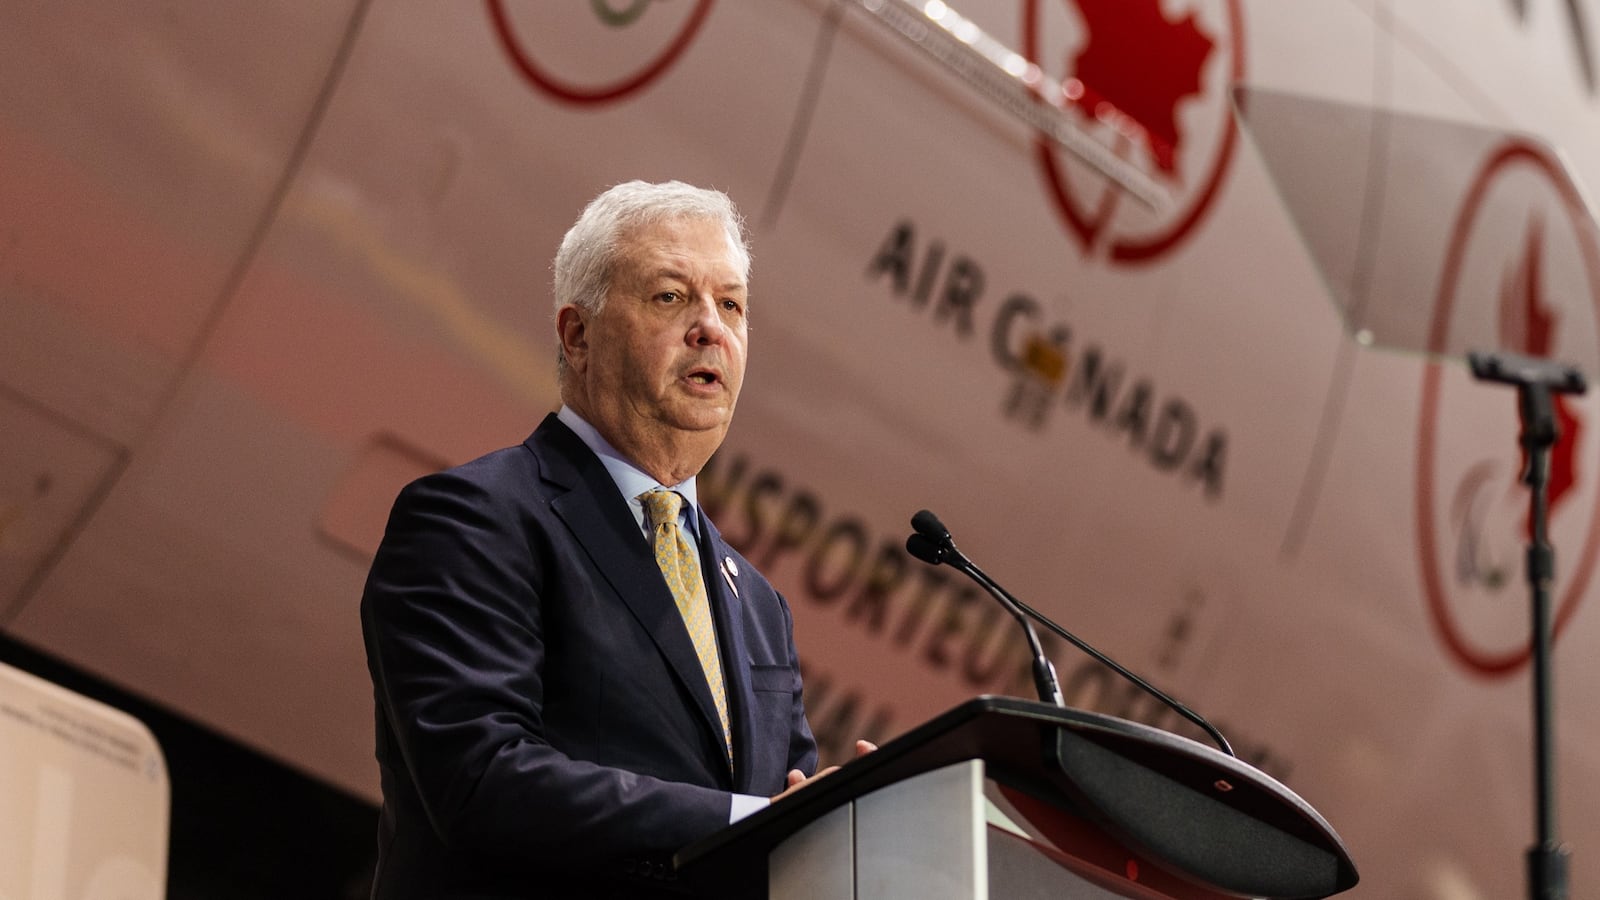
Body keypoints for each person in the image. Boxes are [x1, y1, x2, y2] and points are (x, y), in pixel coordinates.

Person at [361, 181, 850, 899]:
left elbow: (785, 820)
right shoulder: (476, 517)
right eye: (670, 297)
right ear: (577, 334)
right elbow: (482, 779)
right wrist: (746, 821)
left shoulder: (760, 607)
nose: (711, 327)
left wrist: (857, 812)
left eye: (732, 304)